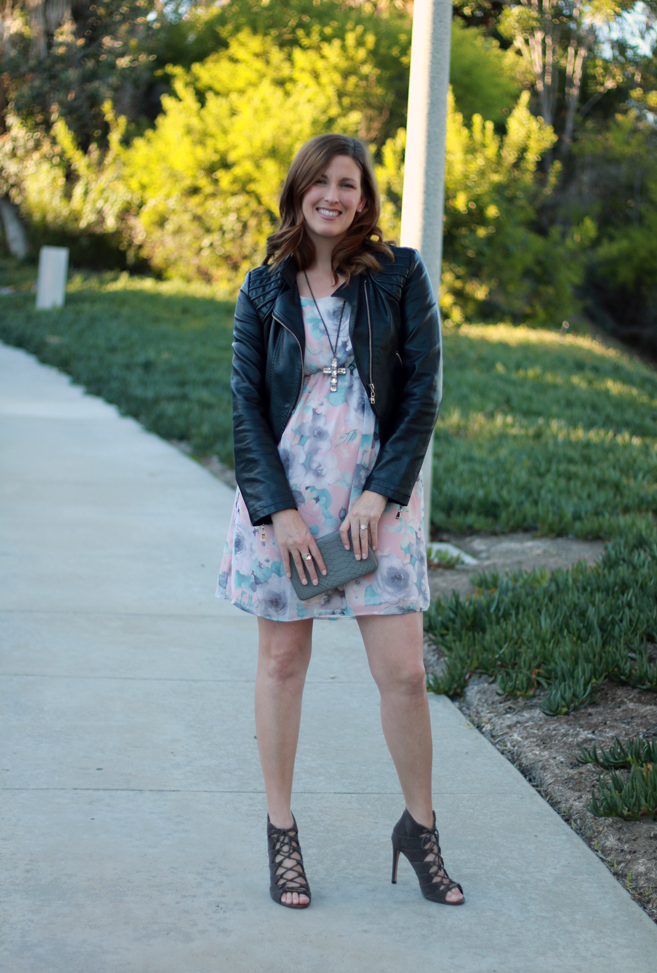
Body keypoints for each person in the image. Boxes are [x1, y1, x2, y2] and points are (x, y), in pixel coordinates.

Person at [217, 133, 464, 910]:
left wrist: (378, 495)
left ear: (365, 198)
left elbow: (421, 391)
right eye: (320, 181)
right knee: (283, 667)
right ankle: (281, 833)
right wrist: (278, 511)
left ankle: (418, 828)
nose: (333, 194)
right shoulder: (262, 289)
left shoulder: (399, 275)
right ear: (298, 191)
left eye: (347, 183)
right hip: (286, 507)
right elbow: (246, 410)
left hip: (375, 508)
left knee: (403, 674)